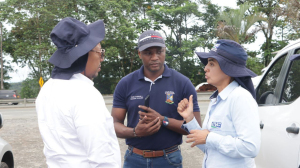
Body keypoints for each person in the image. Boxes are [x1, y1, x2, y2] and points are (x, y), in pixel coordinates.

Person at [36, 17, 121, 168]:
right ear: (83, 54)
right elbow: (101, 157)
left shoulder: (47, 89)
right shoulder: (85, 94)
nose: (102, 59)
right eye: (100, 52)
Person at [112, 30, 201, 168]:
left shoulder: (182, 83)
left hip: (169, 159)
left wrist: (163, 120)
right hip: (134, 159)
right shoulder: (126, 83)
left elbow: (195, 128)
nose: (155, 57)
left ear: (165, 51)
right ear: (139, 54)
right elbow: (114, 124)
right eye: (148, 53)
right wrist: (135, 132)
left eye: (159, 51)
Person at [177, 39, 261, 168]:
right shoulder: (217, 99)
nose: (205, 68)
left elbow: (250, 147)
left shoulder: (240, 97)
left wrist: (209, 137)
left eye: (211, 64)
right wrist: (189, 118)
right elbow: (208, 147)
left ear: (227, 68)